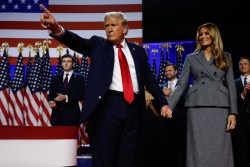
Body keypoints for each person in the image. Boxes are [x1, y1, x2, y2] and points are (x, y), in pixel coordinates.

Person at [39, 4, 171, 167]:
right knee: (105, 156)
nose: (109, 29)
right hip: (107, 107)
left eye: (113, 25)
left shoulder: (138, 51)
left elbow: (149, 79)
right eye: (106, 26)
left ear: (125, 29)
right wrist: (57, 28)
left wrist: (163, 103)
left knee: (129, 157)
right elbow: (76, 42)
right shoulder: (98, 45)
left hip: (134, 109)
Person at [167, 23, 237, 167]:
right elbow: (181, 84)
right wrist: (169, 106)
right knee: (198, 147)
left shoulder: (226, 57)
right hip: (197, 106)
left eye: (206, 33)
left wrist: (233, 112)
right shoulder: (191, 58)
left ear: (214, 35)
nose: (203, 36)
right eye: (201, 34)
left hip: (220, 107)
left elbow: (231, 86)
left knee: (220, 147)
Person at [159, 63, 187, 167]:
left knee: (180, 150)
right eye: (166, 71)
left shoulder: (183, 86)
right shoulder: (161, 87)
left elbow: (186, 102)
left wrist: (171, 95)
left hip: (180, 123)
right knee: (165, 151)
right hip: (165, 124)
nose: (167, 73)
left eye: (170, 70)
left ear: (176, 71)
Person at [48, 53, 85, 126]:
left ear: (73, 64)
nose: (66, 63)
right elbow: (51, 94)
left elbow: (82, 95)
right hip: (57, 116)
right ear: (61, 64)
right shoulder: (55, 78)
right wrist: (51, 102)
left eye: (68, 61)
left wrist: (66, 97)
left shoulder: (80, 78)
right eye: (64, 61)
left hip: (72, 117)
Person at [232, 56, 250, 167]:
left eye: (245, 63)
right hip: (241, 123)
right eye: (240, 64)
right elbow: (232, 102)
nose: (242, 66)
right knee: (242, 152)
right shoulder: (234, 83)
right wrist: (243, 94)